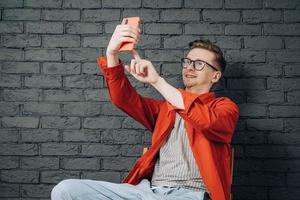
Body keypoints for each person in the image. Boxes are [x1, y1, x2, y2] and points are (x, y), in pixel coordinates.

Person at [51, 19, 239, 200]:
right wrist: (112, 54)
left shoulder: (225, 108)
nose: (190, 68)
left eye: (199, 64)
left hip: (191, 194)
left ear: (215, 75)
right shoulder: (165, 109)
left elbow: (206, 121)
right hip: (147, 192)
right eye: (187, 62)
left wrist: (157, 81)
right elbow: (123, 99)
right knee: (66, 190)